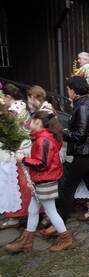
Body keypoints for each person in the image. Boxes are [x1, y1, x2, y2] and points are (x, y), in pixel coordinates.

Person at [44, 76, 89, 234]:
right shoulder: (83, 104)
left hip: (85, 154)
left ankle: (58, 224)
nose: (67, 91)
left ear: (73, 90)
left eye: (68, 89)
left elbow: (80, 135)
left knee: (68, 187)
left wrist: (61, 133)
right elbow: (82, 131)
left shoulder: (83, 106)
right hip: (88, 152)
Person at [5, 111, 74, 253]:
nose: (29, 123)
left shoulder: (43, 140)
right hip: (42, 179)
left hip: (45, 180)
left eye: (31, 120)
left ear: (38, 122)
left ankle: (66, 238)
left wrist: (23, 159)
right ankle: (26, 241)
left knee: (51, 211)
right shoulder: (44, 138)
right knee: (33, 209)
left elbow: (42, 164)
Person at [0, 84, 32, 230]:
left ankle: (16, 215)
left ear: (8, 97)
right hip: (21, 148)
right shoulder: (21, 105)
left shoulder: (15, 108)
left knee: (17, 184)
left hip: (17, 151)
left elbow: (9, 130)